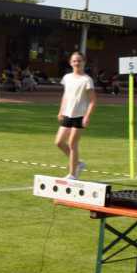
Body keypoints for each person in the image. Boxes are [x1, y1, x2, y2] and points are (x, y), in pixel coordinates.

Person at [56, 51, 96, 179]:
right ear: (70, 63)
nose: (77, 63)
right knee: (59, 142)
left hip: (80, 116)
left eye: (79, 60)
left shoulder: (87, 80)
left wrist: (87, 116)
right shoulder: (67, 77)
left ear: (84, 62)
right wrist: (61, 111)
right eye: (74, 61)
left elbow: (93, 100)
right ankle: (78, 163)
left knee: (73, 144)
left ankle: (72, 174)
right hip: (67, 114)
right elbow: (65, 96)